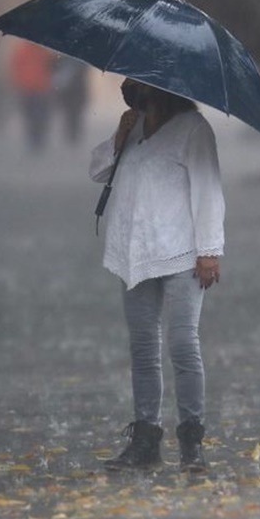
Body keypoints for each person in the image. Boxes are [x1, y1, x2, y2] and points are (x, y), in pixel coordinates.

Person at [89, 79, 224, 473]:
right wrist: (120, 133)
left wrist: (209, 250)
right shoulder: (134, 127)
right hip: (134, 251)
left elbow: (208, 189)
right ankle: (146, 439)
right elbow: (97, 170)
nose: (132, 92)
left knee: (183, 345)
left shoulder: (193, 130)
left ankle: (191, 440)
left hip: (183, 252)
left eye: (140, 86)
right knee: (143, 350)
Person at [7, 39, 55, 152]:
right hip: (40, 87)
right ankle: (38, 139)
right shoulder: (43, 51)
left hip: (27, 88)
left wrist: (16, 82)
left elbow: (14, 67)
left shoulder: (21, 50)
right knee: (40, 115)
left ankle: (33, 139)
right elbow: (52, 67)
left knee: (30, 115)